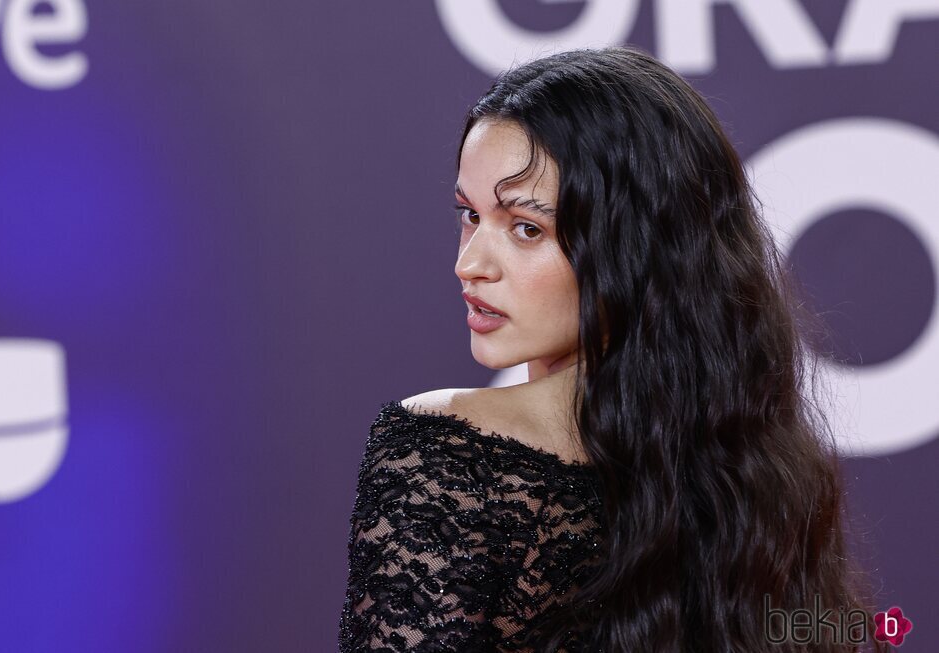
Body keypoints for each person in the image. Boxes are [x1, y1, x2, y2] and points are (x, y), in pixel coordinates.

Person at [338, 45, 884, 652]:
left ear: (634, 247)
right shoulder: (765, 477)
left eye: (527, 228)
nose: (469, 264)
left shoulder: (443, 451)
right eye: (469, 214)